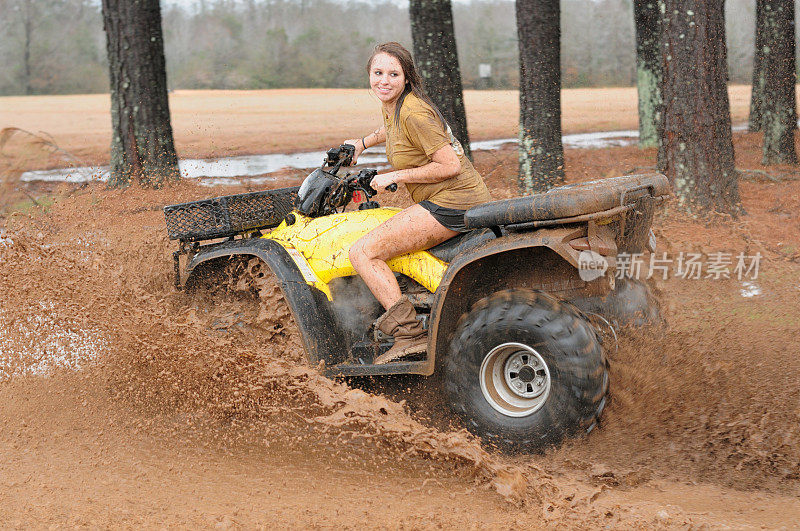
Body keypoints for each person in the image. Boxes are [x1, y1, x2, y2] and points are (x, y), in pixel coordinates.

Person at [343, 42, 492, 365]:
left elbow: (449, 165)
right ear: (369, 75)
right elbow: (393, 129)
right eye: (378, 72)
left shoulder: (414, 111)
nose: (384, 80)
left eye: (393, 74)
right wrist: (362, 144)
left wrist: (395, 175)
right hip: (451, 199)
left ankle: (408, 334)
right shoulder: (396, 105)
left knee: (363, 252)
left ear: (407, 78)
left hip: (452, 203)